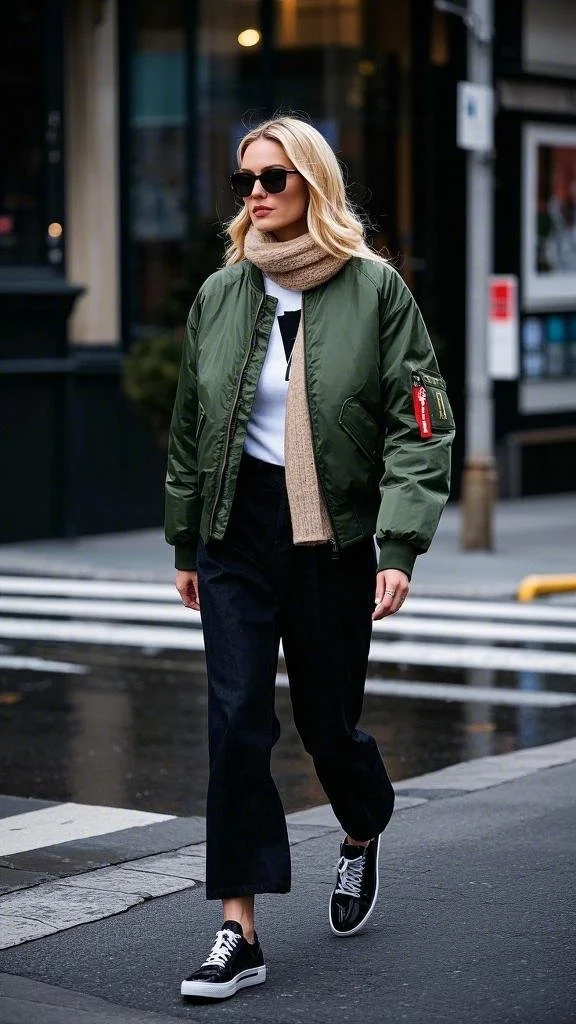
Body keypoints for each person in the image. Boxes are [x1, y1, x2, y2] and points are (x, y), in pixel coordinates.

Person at [165, 115, 454, 1001]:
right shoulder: (221, 294)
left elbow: (421, 420)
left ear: (312, 187)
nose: (254, 193)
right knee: (237, 723)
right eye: (245, 178)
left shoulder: (374, 290)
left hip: (331, 535)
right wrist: (185, 539)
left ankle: (362, 828)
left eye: (273, 178)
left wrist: (398, 545)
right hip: (235, 535)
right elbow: (189, 424)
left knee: (330, 727)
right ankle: (237, 929)